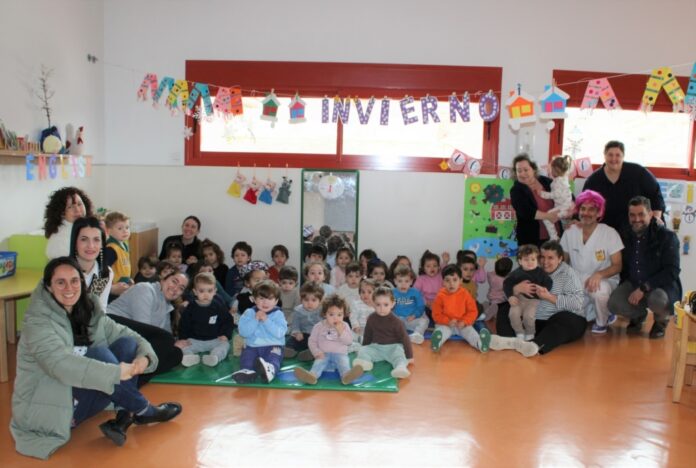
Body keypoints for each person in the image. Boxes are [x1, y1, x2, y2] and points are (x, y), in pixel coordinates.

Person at [11, 257, 181, 458]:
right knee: (98, 354)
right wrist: (116, 372)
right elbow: (60, 365)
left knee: (128, 344)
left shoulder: (87, 307)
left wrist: (144, 357)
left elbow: (124, 332)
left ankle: (124, 415)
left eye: (74, 281)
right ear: (48, 287)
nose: (69, 288)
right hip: (52, 408)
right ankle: (143, 410)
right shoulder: (37, 322)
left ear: (82, 283)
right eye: (60, 282)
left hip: (80, 396)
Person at [491, 240, 586, 357]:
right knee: (505, 308)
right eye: (542, 257)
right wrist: (516, 289)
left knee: (567, 319)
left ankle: (534, 345)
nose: (545, 262)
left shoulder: (568, 274)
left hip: (557, 320)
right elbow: (508, 288)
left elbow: (578, 303)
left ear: (560, 259)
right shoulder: (530, 267)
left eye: (550, 258)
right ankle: (509, 341)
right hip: (533, 320)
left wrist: (549, 297)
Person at [608, 196, 681, 339]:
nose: (636, 219)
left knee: (658, 300)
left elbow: (672, 270)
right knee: (614, 304)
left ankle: (661, 321)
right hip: (634, 282)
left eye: (641, 214)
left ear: (651, 214)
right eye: (632, 215)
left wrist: (644, 287)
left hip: (660, 286)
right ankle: (639, 315)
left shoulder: (667, 237)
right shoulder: (625, 234)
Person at [107, 271, 189, 382]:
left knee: (176, 355)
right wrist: (169, 342)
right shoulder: (145, 289)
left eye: (181, 288)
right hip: (110, 324)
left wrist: (177, 345)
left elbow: (166, 338)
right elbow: (145, 328)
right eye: (174, 281)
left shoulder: (167, 306)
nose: (175, 288)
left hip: (131, 335)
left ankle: (133, 379)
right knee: (165, 339)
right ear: (163, 279)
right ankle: (130, 379)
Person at [560, 190, 623, 334]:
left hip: (604, 279)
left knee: (599, 292)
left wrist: (599, 274)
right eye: (583, 209)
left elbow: (617, 265)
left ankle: (602, 322)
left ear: (599, 212)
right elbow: (563, 261)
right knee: (573, 314)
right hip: (578, 279)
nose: (586, 213)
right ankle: (603, 311)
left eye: (591, 209)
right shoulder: (570, 231)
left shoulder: (609, 233)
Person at [582, 141, 665, 233]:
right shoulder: (593, 179)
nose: (614, 158)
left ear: (623, 156)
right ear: (604, 156)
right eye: (610, 155)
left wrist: (656, 219)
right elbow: (583, 203)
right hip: (605, 230)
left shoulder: (638, 172)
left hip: (636, 227)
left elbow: (655, 194)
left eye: (618, 155)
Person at [293, 294, 364, 385]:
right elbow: (312, 341)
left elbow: (349, 342)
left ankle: (346, 376)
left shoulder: (345, 326)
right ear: (324, 314)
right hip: (323, 354)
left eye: (339, 314)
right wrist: (316, 352)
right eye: (331, 314)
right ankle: (312, 376)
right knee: (318, 364)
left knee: (344, 363)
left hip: (340, 354)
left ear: (344, 314)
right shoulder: (318, 326)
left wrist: (341, 332)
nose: (335, 318)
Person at [231, 280, 287, 384]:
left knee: (273, 358)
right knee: (247, 357)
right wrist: (255, 319)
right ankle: (247, 372)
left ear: (276, 301)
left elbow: (280, 333)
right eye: (261, 298)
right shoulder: (249, 313)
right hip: (253, 346)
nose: (265, 302)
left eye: (270, 298)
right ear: (254, 299)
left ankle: (270, 370)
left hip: (273, 345)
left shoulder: (278, 314)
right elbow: (243, 333)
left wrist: (266, 320)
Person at [352, 287, 413, 379]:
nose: (381, 308)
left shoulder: (397, 321)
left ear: (392, 304)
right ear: (373, 304)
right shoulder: (371, 318)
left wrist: (409, 356)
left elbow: (405, 338)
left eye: (385, 305)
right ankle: (365, 362)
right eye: (378, 305)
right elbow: (368, 335)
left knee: (400, 356)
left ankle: (400, 368)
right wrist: (365, 348)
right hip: (377, 347)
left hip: (393, 347)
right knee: (362, 350)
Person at [430, 265, 492, 353]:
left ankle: (480, 344)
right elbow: (436, 314)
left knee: (470, 332)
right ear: (443, 282)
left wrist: (465, 321)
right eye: (447, 280)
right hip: (446, 324)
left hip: (462, 324)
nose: (451, 284)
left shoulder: (465, 294)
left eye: (455, 280)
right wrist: (447, 321)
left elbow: (473, 311)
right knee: (442, 331)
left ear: (461, 281)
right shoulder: (440, 296)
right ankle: (436, 343)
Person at [177, 272, 233, 367]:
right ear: (195, 292)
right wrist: (183, 339)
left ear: (215, 291)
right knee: (182, 347)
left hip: (214, 339)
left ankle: (214, 356)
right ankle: (189, 357)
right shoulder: (190, 308)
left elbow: (227, 320)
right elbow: (183, 324)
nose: (206, 294)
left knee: (225, 345)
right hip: (195, 340)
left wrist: (225, 334)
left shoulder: (219, 306)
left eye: (210, 291)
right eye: (201, 291)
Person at [503, 245, 553, 340]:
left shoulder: (541, 273)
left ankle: (530, 333)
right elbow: (507, 284)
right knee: (513, 314)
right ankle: (519, 332)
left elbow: (549, 282)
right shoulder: (516, 273)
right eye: (526, 260)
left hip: (533, 300)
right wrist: (510, 296)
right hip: (519, 298)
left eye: (533, 259)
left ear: (537, 261)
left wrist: (544, 289)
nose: (530, 262)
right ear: (520, 261)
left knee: (528, 316)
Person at [510, 153, 560, 247]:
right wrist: (548, 216)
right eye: (519, 171)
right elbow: (525, 211)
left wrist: (571, 215)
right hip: (532, 239)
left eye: (526, 170)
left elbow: (565, 195)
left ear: (533, 169)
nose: (522, 173)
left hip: (556, 235)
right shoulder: (516, 190)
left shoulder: (546, 181)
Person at [69, 216, 114, 310]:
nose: (91, 245)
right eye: (84, 239)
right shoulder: (62, 271)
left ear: (102, 244)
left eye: (96, 240)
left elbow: (101, 311)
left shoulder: (105, 273)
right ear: (75, 242)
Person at [43, 186, 94, 259]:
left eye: (79, 204)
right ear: (61, 212)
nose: (77, 210)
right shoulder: (60, 239)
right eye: (70, 207)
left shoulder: (83, 228)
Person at [285, 282, 325, 360]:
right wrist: (297, 332)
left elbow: (326, 324)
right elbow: (295, 324)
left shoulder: (322, 311)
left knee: (322, 343)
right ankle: (289, 350)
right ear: (301, 300)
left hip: (317, 336)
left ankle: (311, 353)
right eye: (306, 300)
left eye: (314, 300)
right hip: (303, 334)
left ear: (320, 301)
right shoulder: (298, 310)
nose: (309, 303)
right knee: (292, 340)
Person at [539, 155, 574, 240]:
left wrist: (542, 194)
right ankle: (564, 238)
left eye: (551, 169)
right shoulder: (564, 177)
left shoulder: (558, 182)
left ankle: (554, 237)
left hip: (563, 208)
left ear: (555, 170)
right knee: (565, 226)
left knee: (547, 218)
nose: (550, 171)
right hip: (566, 206)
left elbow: (555, 195)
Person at [392, 265, 428, 344]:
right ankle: (396, 335)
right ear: (395, 281)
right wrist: (394, 317)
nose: (403, 284)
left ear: (411, 282)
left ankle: (417, 334)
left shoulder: (415, 292)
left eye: (406, 281)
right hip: (398, 320)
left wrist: (414, 315)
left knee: (425, 321)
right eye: (400, 281)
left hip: (411, 320)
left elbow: (420, 307)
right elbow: (388, 308)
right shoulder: (392, 293)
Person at [104, 211, 134, 297]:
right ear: (109, 231)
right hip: (115, 289)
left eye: (127, 227)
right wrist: (111, 286)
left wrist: (128, 279)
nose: (125, 231)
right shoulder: (111, 249)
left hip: (124, 284)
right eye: (120, 228)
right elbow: (103, 270)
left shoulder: (124, 244)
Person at [485, 257, 513, 322]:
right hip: (500, 300)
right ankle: (490, 315)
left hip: (492, 297)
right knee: (497, 311)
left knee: (495, 307)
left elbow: (489, 273)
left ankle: (492, 312)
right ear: (508, 271)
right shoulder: (505, 281)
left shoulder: (491, 276)